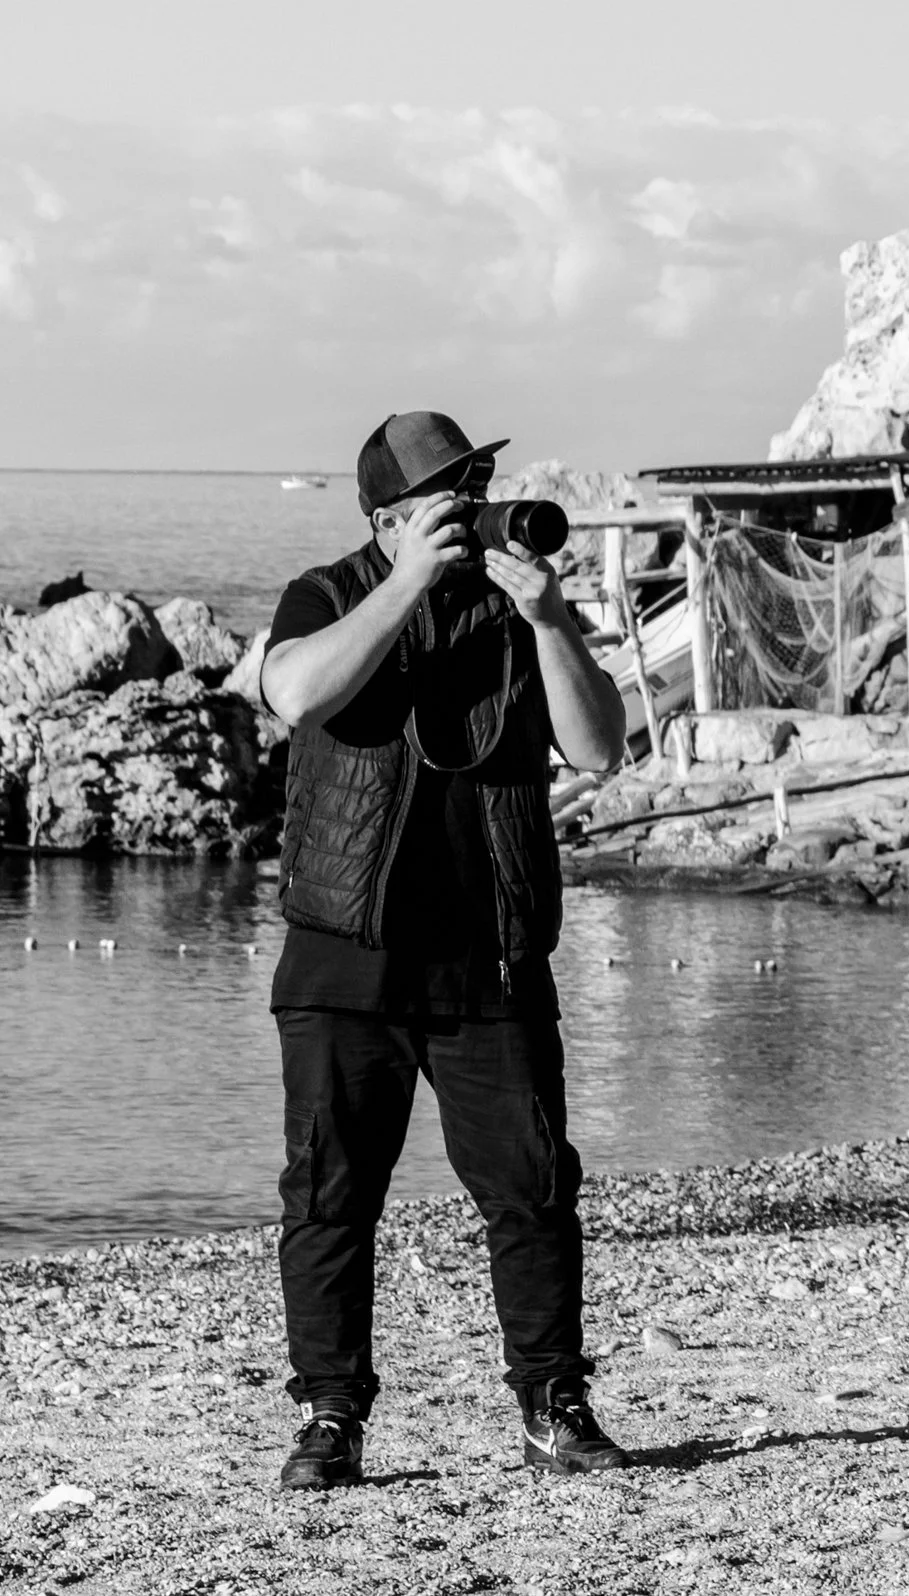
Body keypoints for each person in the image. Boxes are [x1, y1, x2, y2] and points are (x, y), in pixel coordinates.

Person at [259, 411, 630, 1488]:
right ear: (386, 518)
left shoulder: (516, 607)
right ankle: (331, 1417)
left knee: (533, 1192)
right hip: (344, 958)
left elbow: (600, 748)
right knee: (328, 1198)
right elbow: (297, 691)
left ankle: (553, 1406)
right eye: (445, 496)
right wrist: (406, 583)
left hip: (492, 955)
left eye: (474, 487)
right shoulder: (325, 594)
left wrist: (550, 619)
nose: (469, 508)